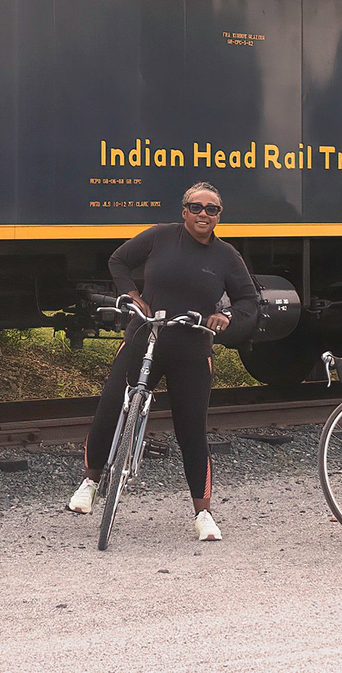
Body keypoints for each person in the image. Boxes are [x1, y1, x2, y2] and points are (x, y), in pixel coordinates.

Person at [67, 182, 261, 542]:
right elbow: (119, 260)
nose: (204, 214)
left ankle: (203, 513)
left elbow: (249, 302)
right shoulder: (160, 237)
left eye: (212, 209)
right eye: (196, 207)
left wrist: (229, 317)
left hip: (191, 349)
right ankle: (90, 483)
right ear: (184, 211)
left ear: (219, 216)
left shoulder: (226, 256)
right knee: (110, 409)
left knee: (192, 431)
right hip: (144, 338)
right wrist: (131, 294)